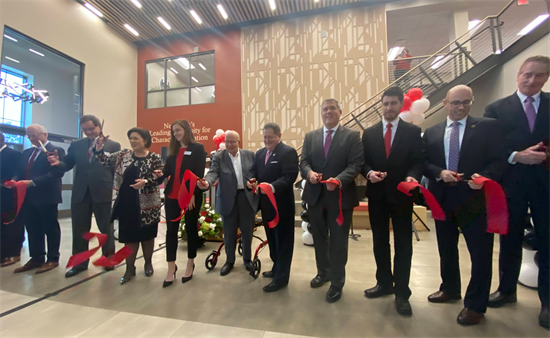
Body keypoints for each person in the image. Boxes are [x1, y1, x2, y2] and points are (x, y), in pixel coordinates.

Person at [423, 85, 507, 325]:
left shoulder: (487, 128)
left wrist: (483, 178)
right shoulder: (432, 132)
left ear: (471, 102)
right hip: (442, 199)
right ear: (445, 103)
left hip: (474, 200)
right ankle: (449, 288)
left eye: (465, 102)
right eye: (455, 102)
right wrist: (439, 172)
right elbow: (425, 162)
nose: (460, 107)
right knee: (446, 248)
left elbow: (499, 160)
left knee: (480, 254)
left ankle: (475, 305)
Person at [484, 55, 550, 328]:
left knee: (547, 241)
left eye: (539, 75)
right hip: (510, 183)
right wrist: (516, 155)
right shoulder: (497, 108)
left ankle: (547, 302)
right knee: (509, 240)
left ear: (546, 77)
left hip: (546, 184)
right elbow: (489, 146)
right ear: (518, 75)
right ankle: (507, 289)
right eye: (527, 74)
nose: (532, 80)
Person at [361, 87, 423, 316]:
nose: (389, 108)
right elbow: (363, 162)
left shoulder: (412, 132)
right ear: (381, 105)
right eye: (385, 103)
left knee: (403, 245)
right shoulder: (369, 133)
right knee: (379, 242)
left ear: (400, 105)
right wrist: (369, 174)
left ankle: (402, 293)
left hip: (402, 196)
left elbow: (418, 161)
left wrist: (412, 176)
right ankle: (384, 283)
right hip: (377, 196)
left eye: (393, 104)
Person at [300, 99, 364, 303]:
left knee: (338, 241)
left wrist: (338, 180)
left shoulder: (352, 136)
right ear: (321, 113)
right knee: (319, 237)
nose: (328, 112)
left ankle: (337, 282)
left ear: (340, 112)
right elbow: (304, 161)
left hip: (340, 198)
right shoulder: (311, 136)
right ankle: (323, 272)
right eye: (325, 109)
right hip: (316, 197)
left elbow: (356, 164)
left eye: (332, 109)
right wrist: (309, 173)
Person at [48, 115, 121, 278]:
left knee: (105, 227)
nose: (88, 132)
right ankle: (79, 263)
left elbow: (114, 166)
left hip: (103, 190)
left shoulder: (113, 145)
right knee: (79, 228)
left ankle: (108, 259)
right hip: (81, 192)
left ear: (99, 127)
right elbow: (67, 164)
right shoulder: (76, 145)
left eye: (91, 129)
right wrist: (57, 163)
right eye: (85, 130)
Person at [94, 128, 164, 285]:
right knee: (129, 238)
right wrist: (99, 147)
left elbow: (160, 179)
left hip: (148, 205)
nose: (132, 141)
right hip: (126, 202)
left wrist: (146, 182)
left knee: (147, 237)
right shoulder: (122, 155)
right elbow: (103, 160)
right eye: (130, 138)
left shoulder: (155, 158)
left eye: (136, 138)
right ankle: (129, 268)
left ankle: (148, 263)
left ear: (145, 140)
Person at [246, 123, 299, 292]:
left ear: (279, 135)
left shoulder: (288, 152)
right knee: (273, 242)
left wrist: (271, 187)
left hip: (282, 207)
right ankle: (276, 269)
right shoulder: (260, 153)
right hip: (266, 207)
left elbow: (289, 176)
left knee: (284, 243)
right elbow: (252, 171)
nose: (267, 140)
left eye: (270, 137)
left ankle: (281, 279)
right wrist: (251, 180)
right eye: (264, 137)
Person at [197, 131, 257, 276]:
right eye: (227, 141)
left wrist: (254, 180)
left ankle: (247, 260)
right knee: (229, 233)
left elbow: (256, 172)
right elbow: (213, 172)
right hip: (228, 199)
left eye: (232, 142)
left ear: (239, 142)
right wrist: (207, 182)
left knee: (247, 231)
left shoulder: (250, 155)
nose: (229, 144)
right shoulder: (219, 157)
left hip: (246, 197)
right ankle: (229, 261)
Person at [154, 120, 206, 288]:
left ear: (186, 129)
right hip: (172, 196)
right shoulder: (173, 151)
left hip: (190, 196)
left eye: (178, 130)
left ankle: (190, 263)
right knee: (171, 232)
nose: (175, 133)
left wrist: (191, 194)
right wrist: (159, 174)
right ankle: (171, 267)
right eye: (173, 131)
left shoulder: (197, 148)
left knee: (191, 229)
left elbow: (197, 174)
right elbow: (168, 172)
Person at [13, 124, 66, 274]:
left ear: (45, 135)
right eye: (28, 136)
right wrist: (15, 181)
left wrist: (33, 183)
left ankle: (53, 258)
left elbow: (56, 173)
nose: (31, 139)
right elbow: (21, 171)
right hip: (28, 196)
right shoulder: (27, 152)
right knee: (32, 227)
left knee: (50, 228)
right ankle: (36, 258)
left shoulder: (55, 151)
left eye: (34, 135)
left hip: (47, 196)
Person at [0, 133, 25, 267]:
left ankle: (13, 253)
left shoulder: (14, 154)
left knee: (11, 223)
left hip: (9, 196)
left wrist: (13, 181)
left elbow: (19, 172)